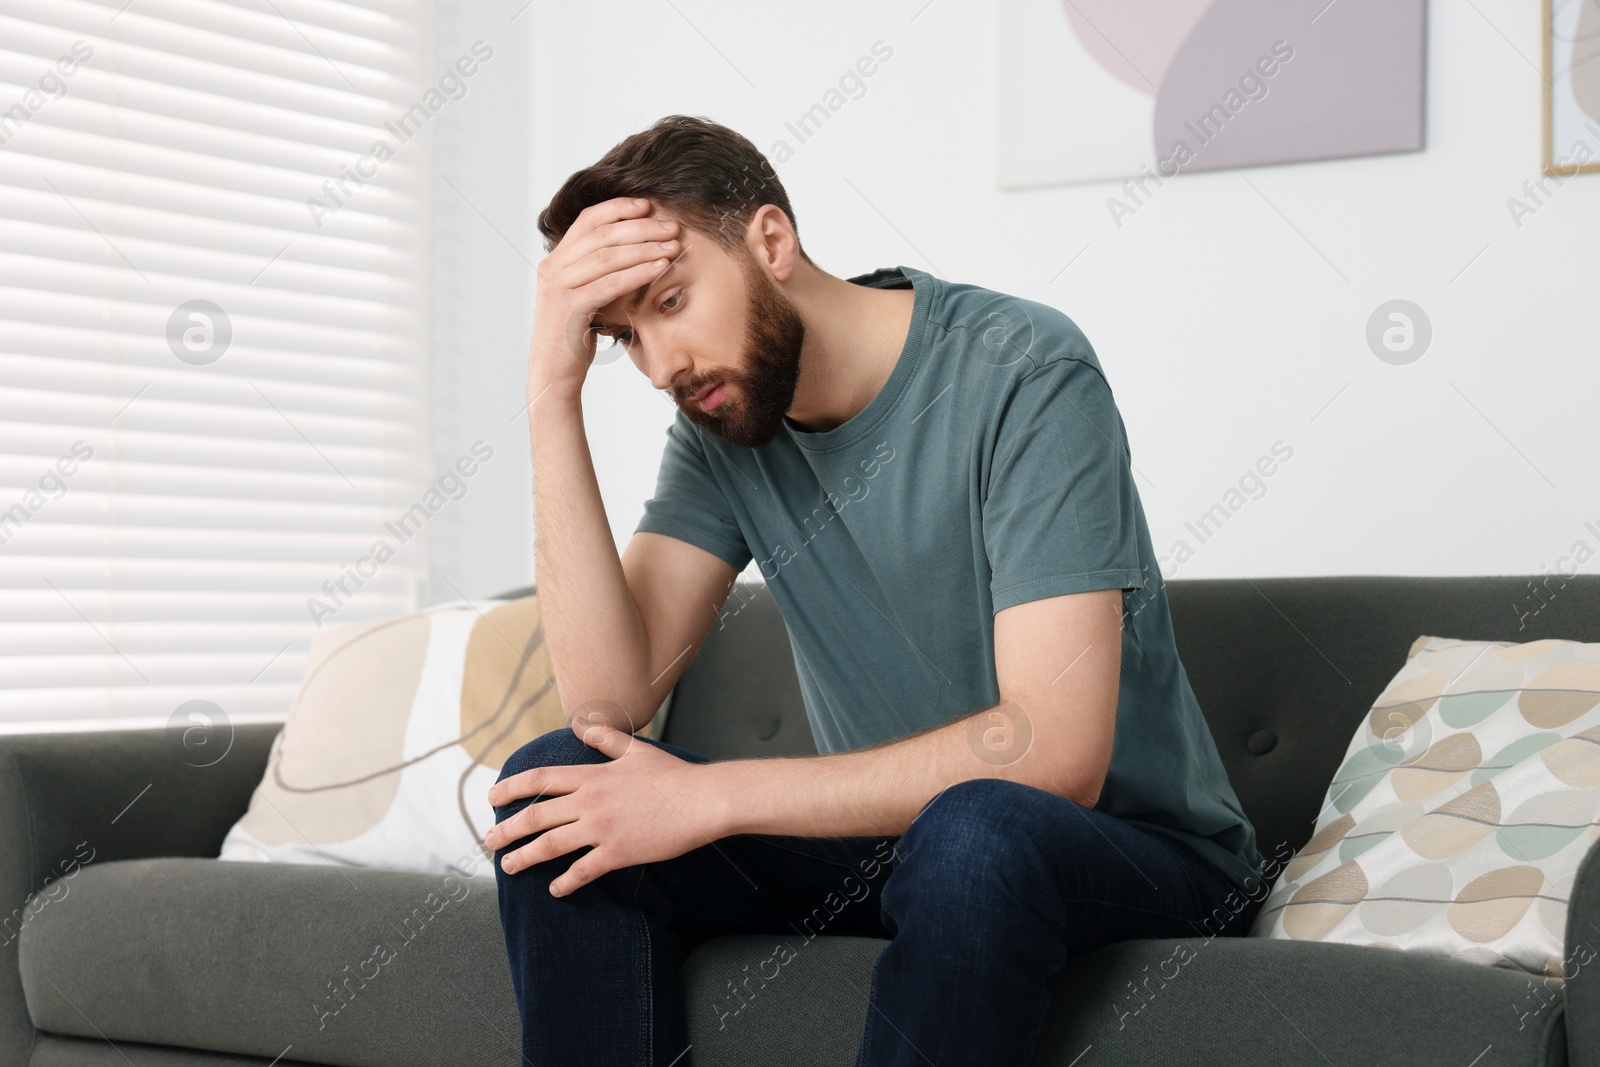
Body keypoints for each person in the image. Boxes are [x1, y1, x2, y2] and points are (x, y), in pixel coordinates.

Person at [482, 113, 1264, 1067]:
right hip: (898, 850)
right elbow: (609, 704)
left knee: (975, 826)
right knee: (558, 788)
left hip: (1130, 851)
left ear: (772, 241)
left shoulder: (1023, 370)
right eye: (622, 337)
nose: (659, 368)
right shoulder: (722, 423)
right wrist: (547, 392)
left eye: (672, 301)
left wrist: (717, 795)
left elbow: (1051, 753)